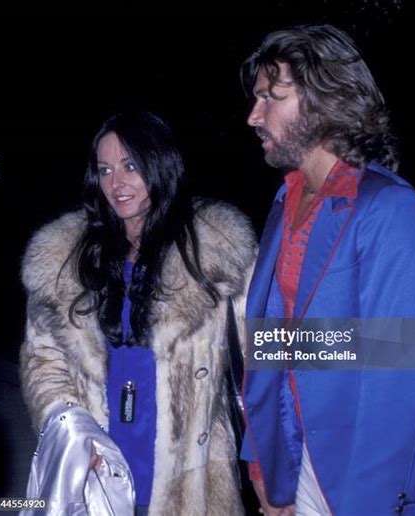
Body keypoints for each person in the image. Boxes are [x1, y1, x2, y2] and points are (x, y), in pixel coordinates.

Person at [240, 24, 415, 515]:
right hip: (294, 465)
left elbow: (396, 382)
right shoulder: (284, 201)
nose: (254, 115)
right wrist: (261, 462)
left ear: (322, 102)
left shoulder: (393, 212)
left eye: (271, 97)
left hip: (364, 486)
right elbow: (272, 343)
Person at [20, 109, 257, 515]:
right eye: (105, 169)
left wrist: (270, 463)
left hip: (193, 480)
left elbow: (265, 359)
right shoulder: (66, 258)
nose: (117, 183)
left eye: (131, 165)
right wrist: (73, 433)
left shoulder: (216, 251)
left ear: (160, 164)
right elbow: (43, 358)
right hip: (100, 472)